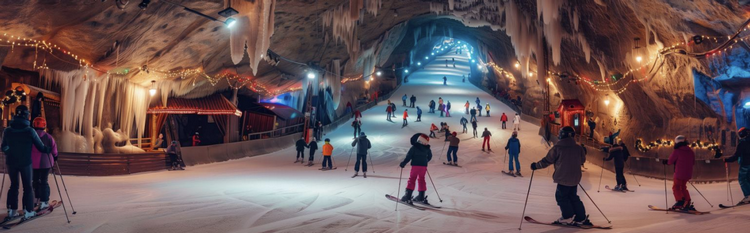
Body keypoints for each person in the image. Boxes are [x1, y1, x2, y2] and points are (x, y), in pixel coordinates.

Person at [530, 126, 592, 227]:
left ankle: (567, 217)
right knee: (573, 197)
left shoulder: (558, 148)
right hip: (575, 178)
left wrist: (536, 166)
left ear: (562, 135)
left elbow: (547, 161)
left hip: (563, 178)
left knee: (561, 197)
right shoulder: (578, 148)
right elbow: (582, 160)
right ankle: (581, 217)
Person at [2, 106, 51, 220]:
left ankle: (12, 210)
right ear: (26, 116)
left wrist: (10, 152)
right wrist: (47, 149)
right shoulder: (29, 130)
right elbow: (40, 147)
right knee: (28, 187)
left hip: (11, 162)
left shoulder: (8, 130)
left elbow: (3, 147)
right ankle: (28, 211)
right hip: (25, 162)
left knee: (14, 185)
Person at [30, 117, 58, 210]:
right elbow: (54, 149)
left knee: (35, 181)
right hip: (46, 163)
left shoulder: (31, 136)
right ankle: (44, 201)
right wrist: (55, 156)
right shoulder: (49, 137)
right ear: (44, 125)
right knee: (44, 181)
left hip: (33, 163)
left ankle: (35, 199)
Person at [663, 135, 696, 211]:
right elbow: (693, 162)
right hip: (688, 174)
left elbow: (670, 161)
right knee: (683, 187)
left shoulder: (677, 151)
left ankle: (680, 201)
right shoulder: (690, 151)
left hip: (679, 173)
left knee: (676, 187)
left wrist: (666, 162)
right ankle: (687, 202)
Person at [399, 133, 433, 204]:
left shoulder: (414, 147)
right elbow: (430, 156)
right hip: (423, 166)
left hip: (415, 166)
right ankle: (421, 196)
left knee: (412, 179)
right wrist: (425, 161)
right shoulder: (427, 148)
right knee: (421, 179)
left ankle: (407, 196)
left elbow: (409, 156)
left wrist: (404, 163)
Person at [724, 127, 750, 204]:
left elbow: (736, 156)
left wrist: (727, 160)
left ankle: (748, 195)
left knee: (742, 180)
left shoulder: (742, 143)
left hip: (745, 164)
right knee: (748, 179)